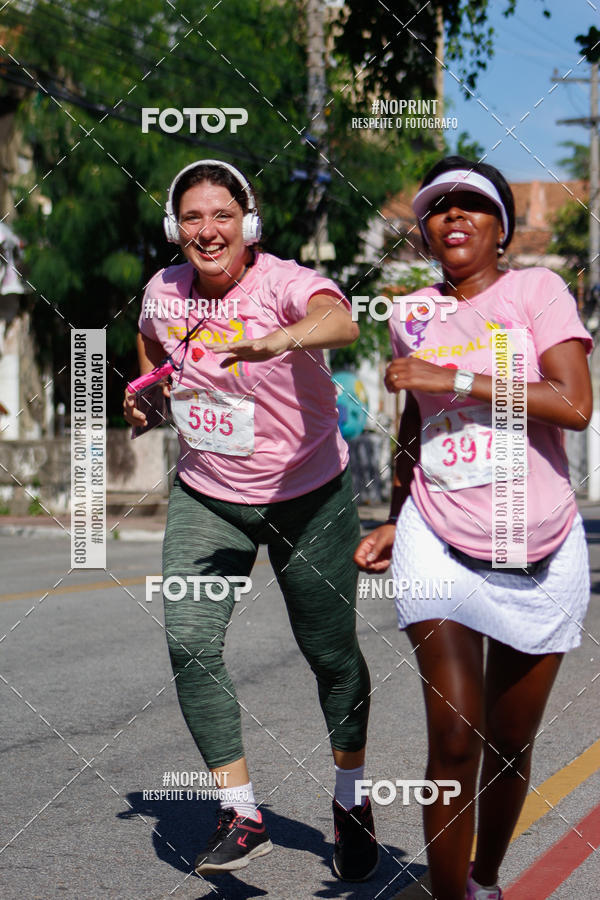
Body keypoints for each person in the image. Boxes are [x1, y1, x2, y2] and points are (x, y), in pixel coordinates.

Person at [123, 159, 378, 882]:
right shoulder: (164, 290)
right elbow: (151, 343)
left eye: (223, 216)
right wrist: (149, 395)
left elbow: (340, 319)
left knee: (331, 655)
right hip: (208, 495)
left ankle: (352, 798)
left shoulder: (284, 284)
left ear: (250, 224)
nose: (208, 231)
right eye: (193, 218)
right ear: (175, 228)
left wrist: (278, 339)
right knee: (188, 639)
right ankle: (241, 813)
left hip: (309, 496)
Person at [354, 156, 593, 900]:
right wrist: (397, 517)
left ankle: (485, 879)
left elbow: (573, 403)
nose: (454, 214)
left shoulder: (537, 291)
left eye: (473, 204)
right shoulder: (409, 315)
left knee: (510, 742)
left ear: (502, 229)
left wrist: (455, 377)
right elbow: (413, 421)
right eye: (439, 206)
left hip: (539, 539)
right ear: (426, 231)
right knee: (456, 738)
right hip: (438, 534)